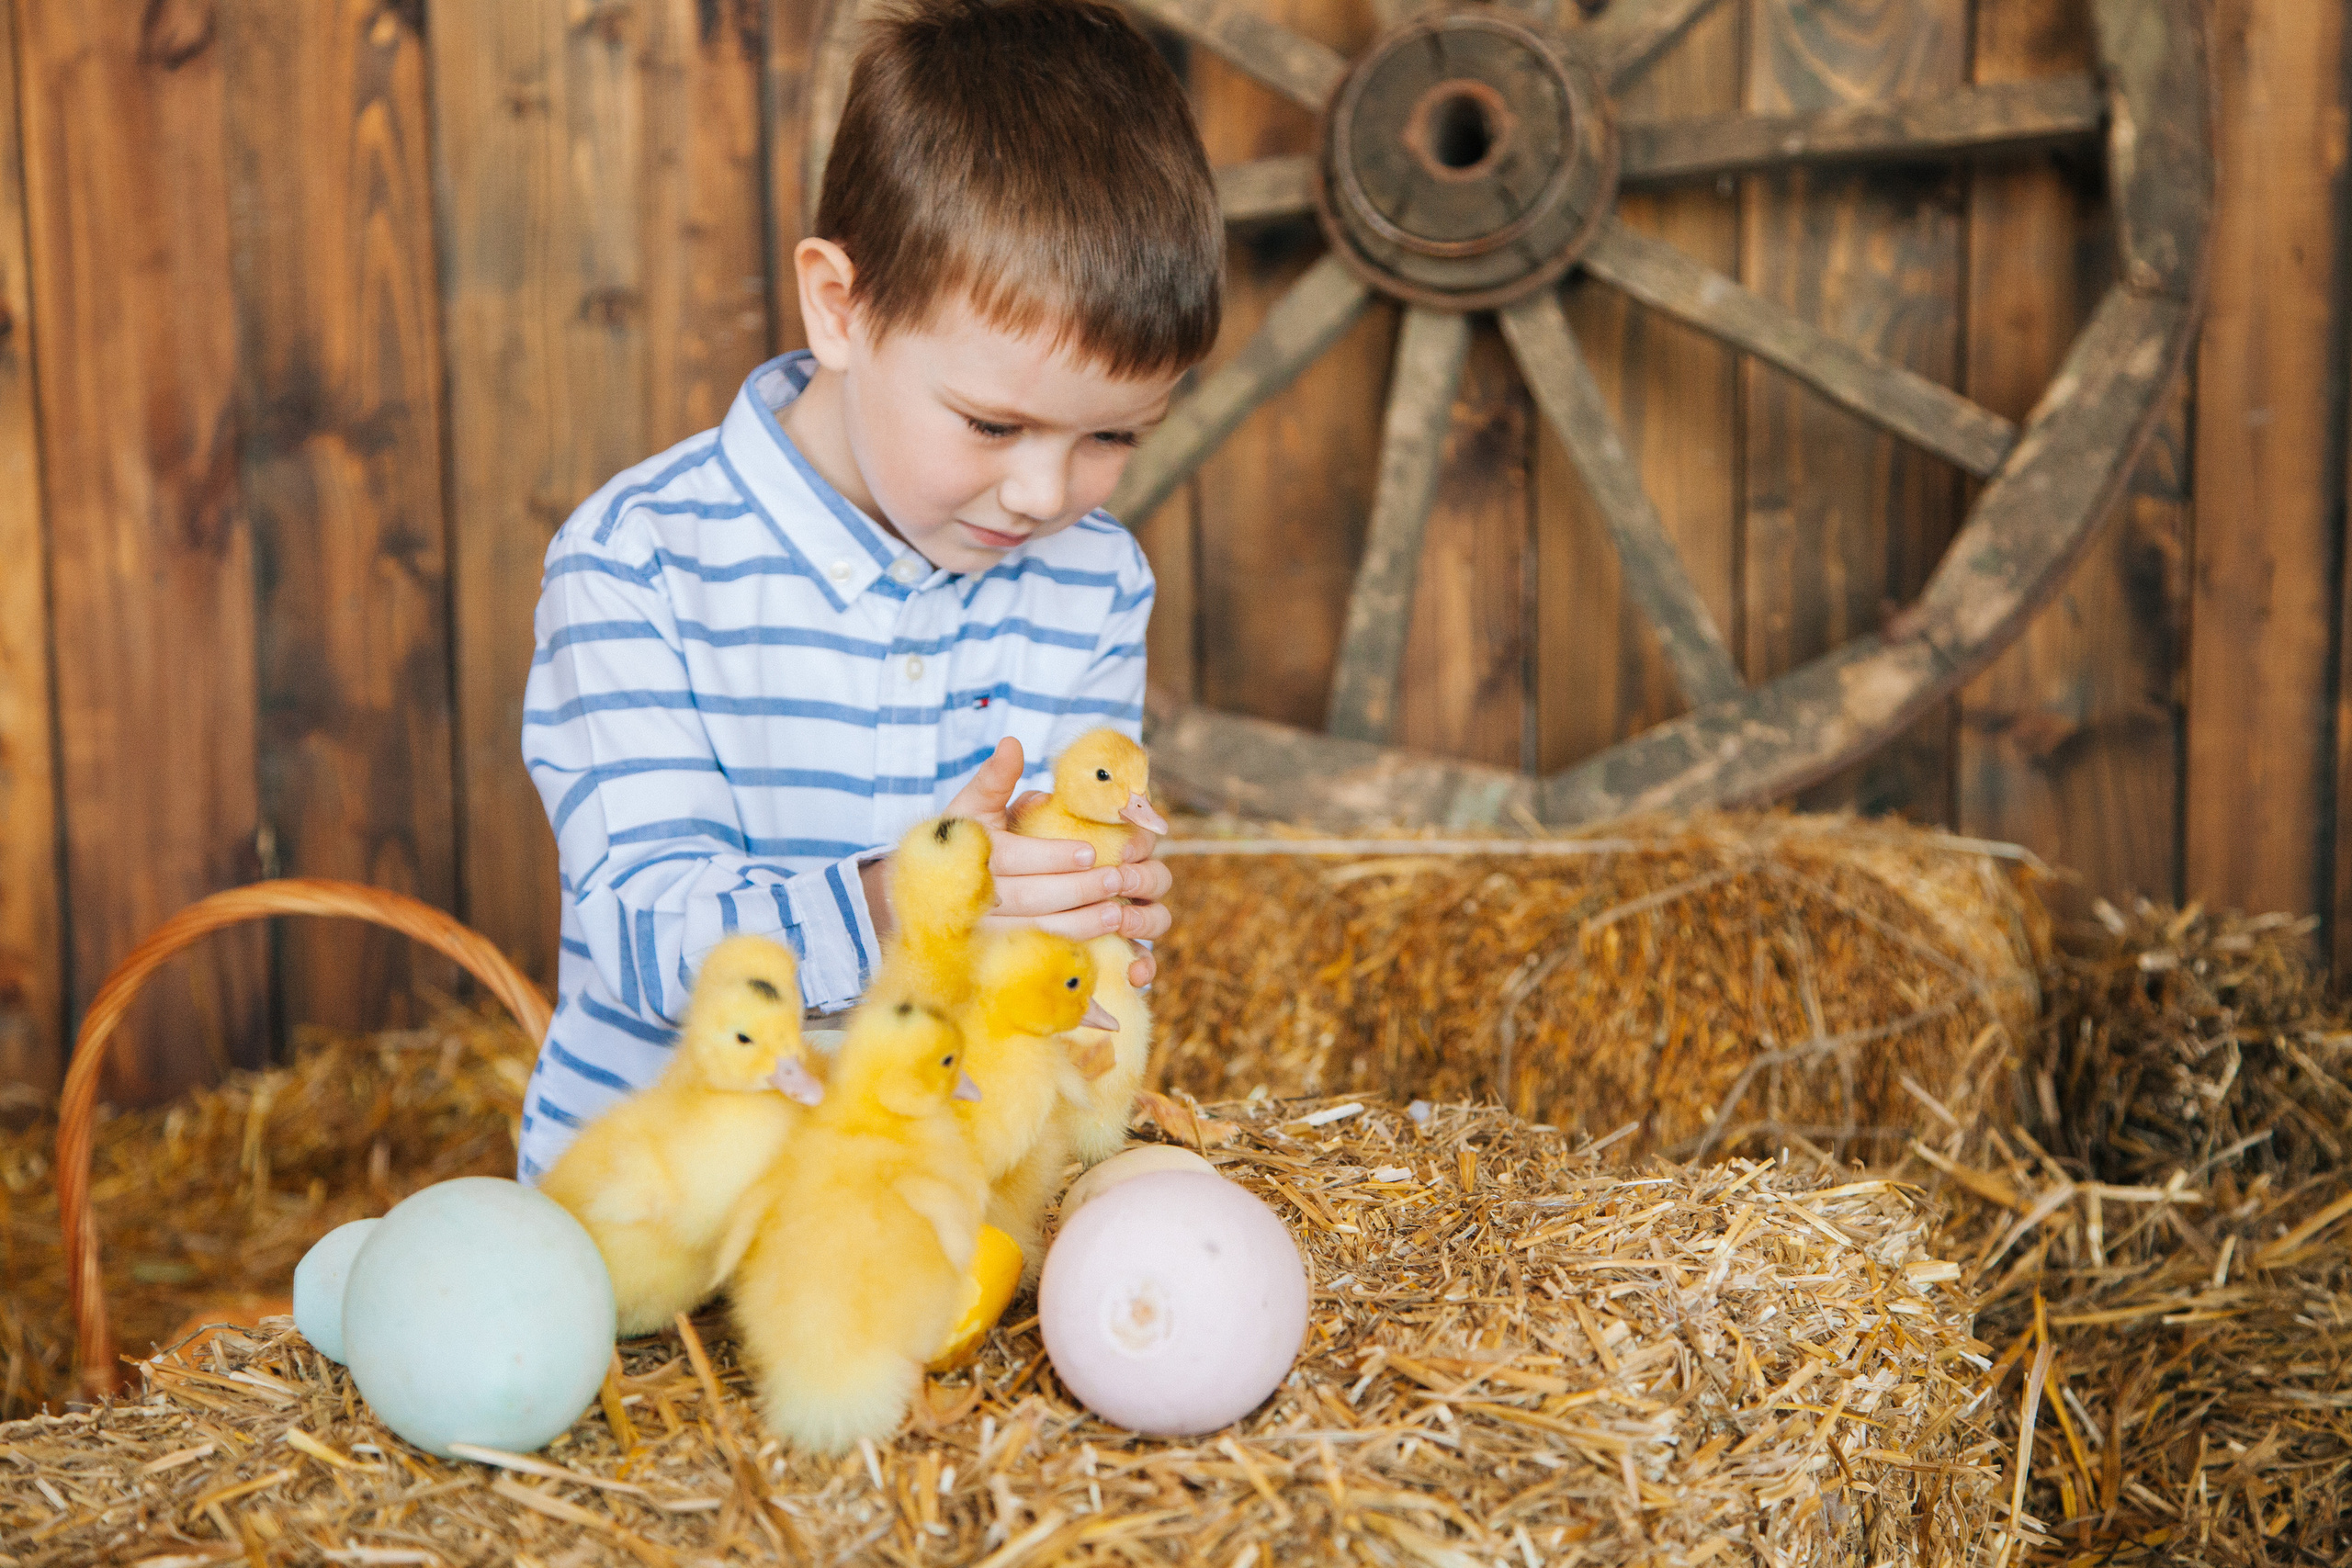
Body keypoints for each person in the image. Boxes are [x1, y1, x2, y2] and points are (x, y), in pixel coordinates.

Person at [513, 0, 1219, 1180]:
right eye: (993, 422)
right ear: (841, 308)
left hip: (932, 1195)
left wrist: (1089, 903)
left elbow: (1047, 893)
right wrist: (904, 898)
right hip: (664, 1205)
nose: (1044, 493)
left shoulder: (1094, 582)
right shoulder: (639, 560)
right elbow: (642, 932)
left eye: (1114, 438)